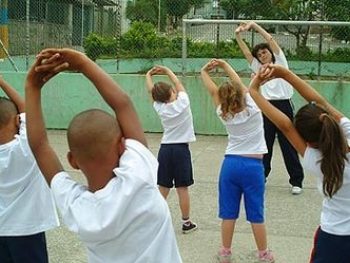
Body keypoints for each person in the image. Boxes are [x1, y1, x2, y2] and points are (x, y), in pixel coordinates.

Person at [25, 48, 183, 263]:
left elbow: (40, 146)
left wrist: (32, 87)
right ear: (122, 146)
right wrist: (82, 63)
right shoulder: (139, 176)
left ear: (73, 161)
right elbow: (123, 104)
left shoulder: (79, 209)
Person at [250, 64, 350, 263]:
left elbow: (285, 126)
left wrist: (253, 90)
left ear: (309, 142)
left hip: (333, 238)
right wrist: (285, 74)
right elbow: (320, 102)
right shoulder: (346, 130)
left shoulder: (318, 161)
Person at [201, 58, 275, 263]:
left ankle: (225, 252)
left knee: (228, 211)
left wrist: (204, 72)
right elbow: (238, 83)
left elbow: (213, 92)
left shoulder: (223, 113)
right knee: (256, 212)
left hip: (230, 165)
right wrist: (224, 65)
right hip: (253, 167)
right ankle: (264, 253)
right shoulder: (253, 107)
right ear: (242, 94)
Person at [235, 21, 304, 194]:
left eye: (264, 52)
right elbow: (245, 52)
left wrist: (254, 26)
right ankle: (261, 178)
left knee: (289, 144)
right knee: (264, 145)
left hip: (283, 105)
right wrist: (238, 35)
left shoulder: (280, 61)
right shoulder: (258, 67)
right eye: (259, 54)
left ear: (270, 52)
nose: (262, 55)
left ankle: (297, 181)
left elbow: (270, 38)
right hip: (266, 107)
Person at [0, 76, 59, 263]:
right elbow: (27, 108)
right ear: (18, 121)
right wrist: (1, 80)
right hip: (27, 230)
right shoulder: (27, 147)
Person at [145, 65, 197, 234]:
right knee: (182, 188)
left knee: (163, 186)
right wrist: (167, 71)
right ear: (172, 93)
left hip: (165, 150)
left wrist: (148, 75)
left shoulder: (160, 108)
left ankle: (153, 220)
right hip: (181, 150)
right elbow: (178, 82)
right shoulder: (184, 102)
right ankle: (186, 222)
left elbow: (150, 92)